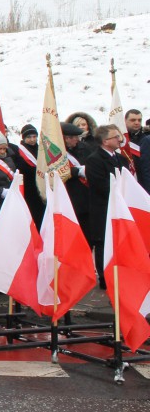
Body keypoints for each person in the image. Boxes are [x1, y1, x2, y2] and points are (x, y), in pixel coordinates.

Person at [86, 124, 125, 288]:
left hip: (119, 206)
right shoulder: (94, 159)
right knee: (103, 241)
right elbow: (100, 185)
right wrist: (119, 191)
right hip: (103, 207)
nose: (119, 139)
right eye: (115, 137)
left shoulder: (120, 157)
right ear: (105, 141)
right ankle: (104, 277)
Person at [62, 122, 93, 244]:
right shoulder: (56, 151)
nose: (76, 140)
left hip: (85, 194)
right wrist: (75, 171)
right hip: (69, 194)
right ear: (65, 138)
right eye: (72, 138)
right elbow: (54, 170)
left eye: (76, 137)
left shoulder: (84, 148)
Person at [11, 124, 45, 226]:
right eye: (29, 137)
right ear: (24, 138)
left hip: (40, 185)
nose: (32, 140)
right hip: (27, 187)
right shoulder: (18, 151)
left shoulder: (41, 150)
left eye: (34, 137)